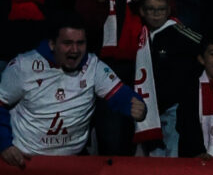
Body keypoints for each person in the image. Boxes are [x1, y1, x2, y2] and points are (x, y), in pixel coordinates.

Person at [0, 20, 146, 164]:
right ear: (52, 44)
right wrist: (4, 144)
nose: (75, 50)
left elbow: (120, 94)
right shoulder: (23, 66)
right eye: (67, 43)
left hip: (72, 164)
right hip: (26, 163)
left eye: (80, 43)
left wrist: (135, 105)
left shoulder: (93, 66)